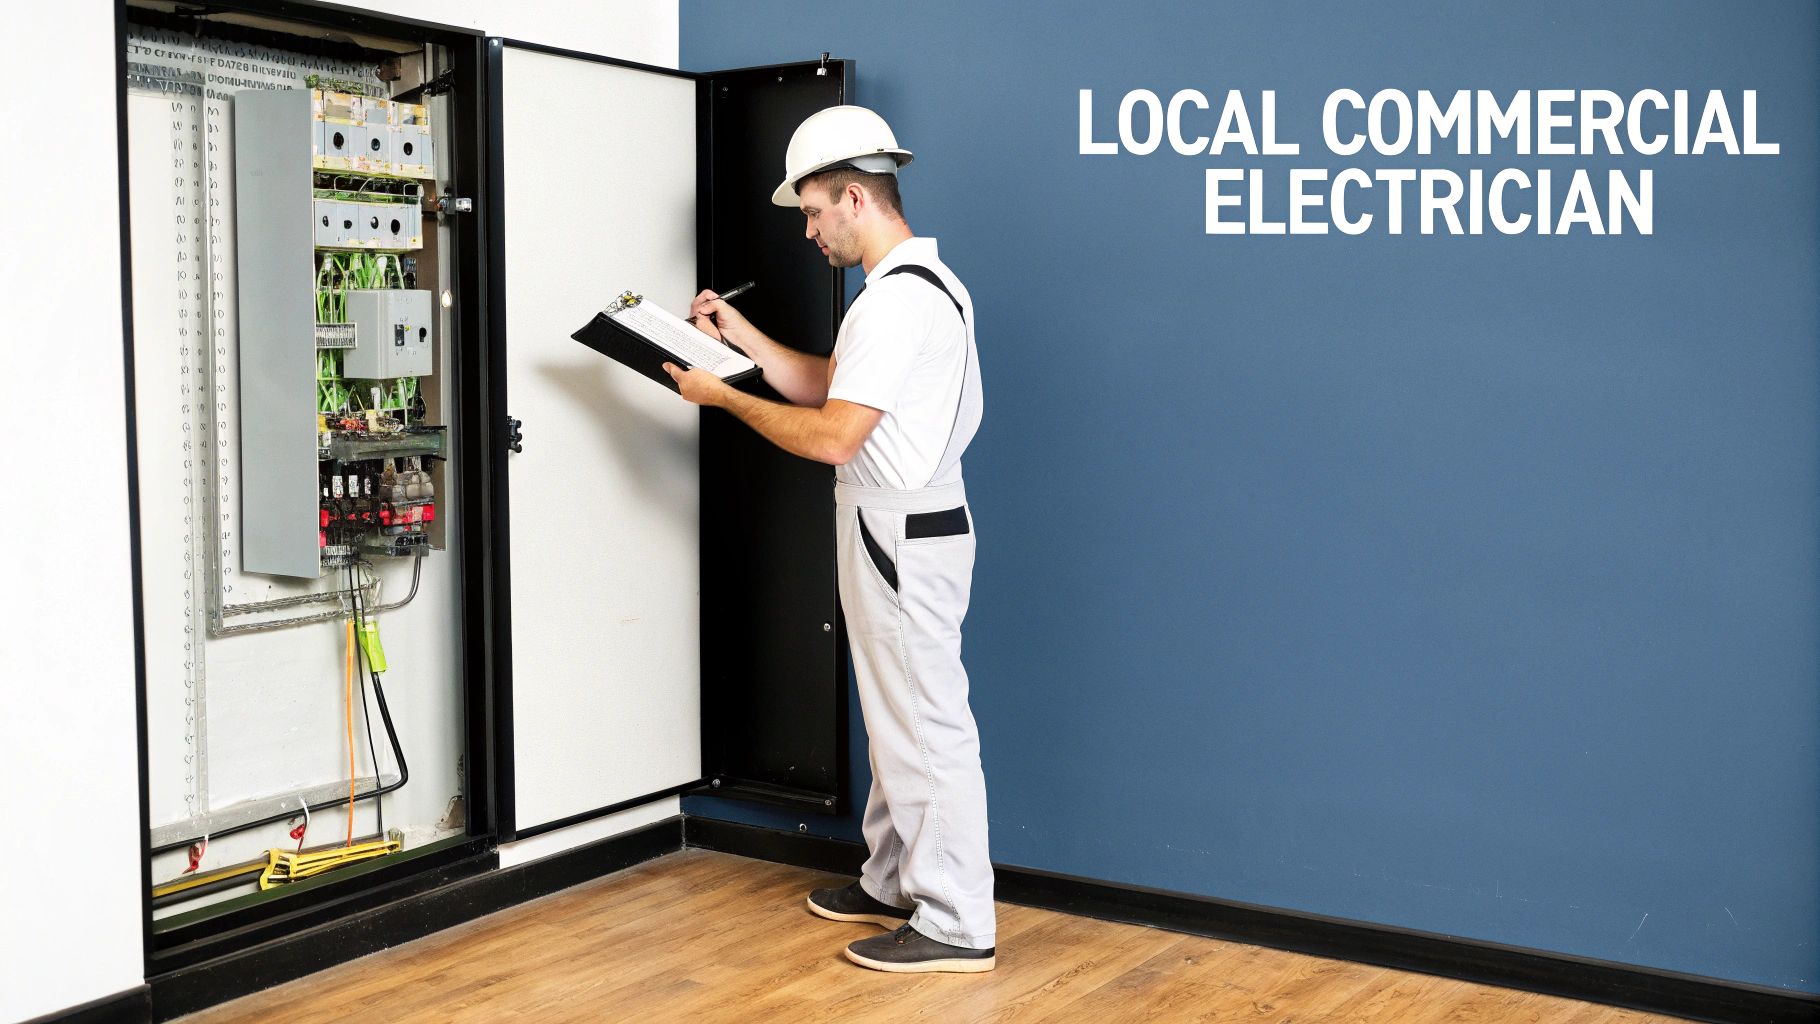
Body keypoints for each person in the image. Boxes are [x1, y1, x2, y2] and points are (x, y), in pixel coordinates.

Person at [661, 105, 993, 974]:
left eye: (812, 212)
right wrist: (738, 342)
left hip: (899, 529)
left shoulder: (894, 304)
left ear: (854, 196)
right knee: (898, 718)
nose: (808, 231)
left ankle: (956, 922)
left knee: (923, 725)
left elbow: (835, 434)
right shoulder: (915, 288)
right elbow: (829, 386)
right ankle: (892, 877)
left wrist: (721, 398)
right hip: (901, 524)